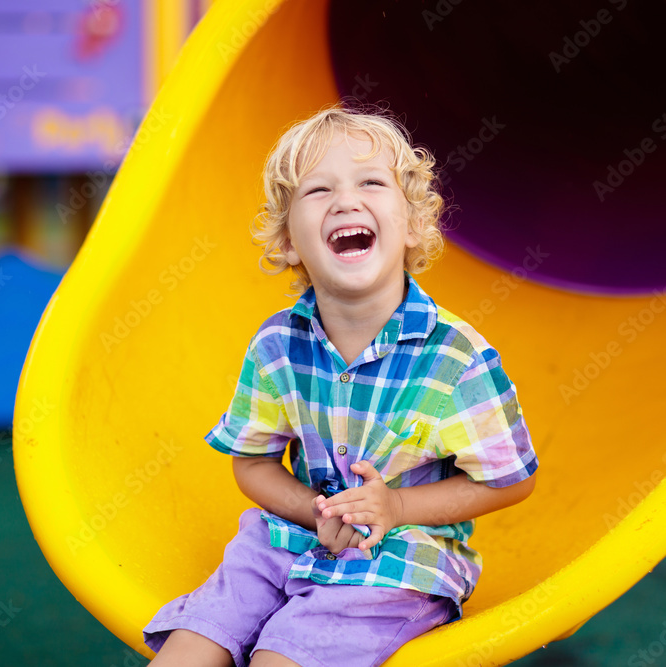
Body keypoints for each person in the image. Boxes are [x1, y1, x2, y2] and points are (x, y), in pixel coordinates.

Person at [143, 104, 538, 667]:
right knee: (186, 654)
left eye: (371, 183)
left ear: (414, 225)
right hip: (281, 543)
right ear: (286, 241)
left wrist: (394, 505)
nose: (346, 201)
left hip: (397, 560)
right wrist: (318, 511)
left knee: (277, 660)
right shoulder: (278, 345)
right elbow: (251, 463)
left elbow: (510, 480)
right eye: (317, 191)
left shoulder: (456, 358)